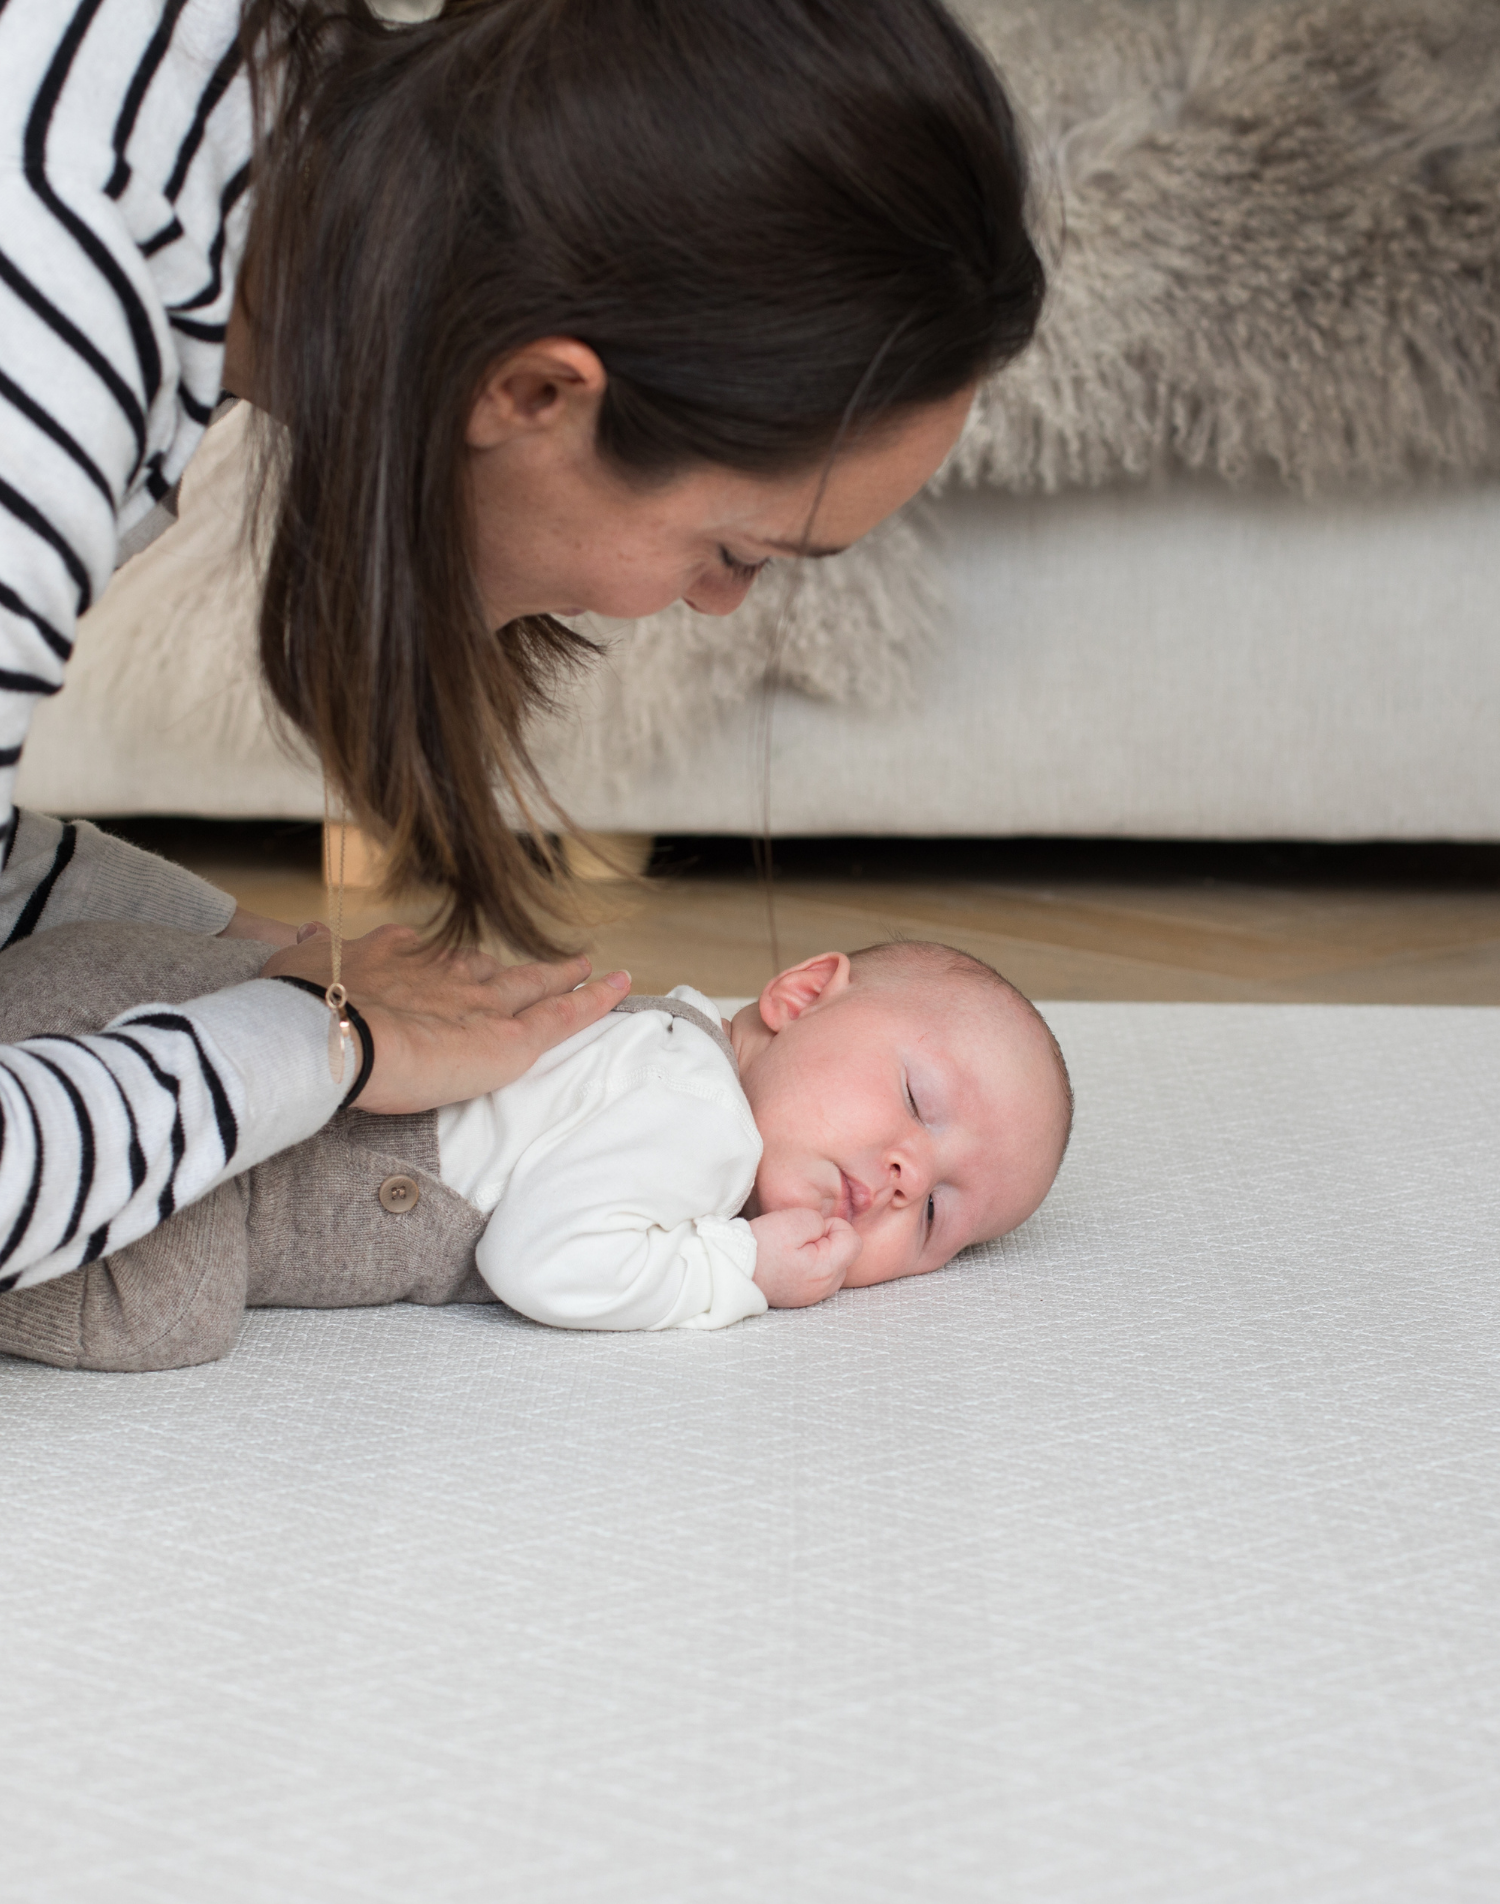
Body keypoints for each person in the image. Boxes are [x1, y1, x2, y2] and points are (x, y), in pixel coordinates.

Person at [0, 0, 1046, 1296]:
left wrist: (261, 948)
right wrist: (327, 1040)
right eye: (739, 550)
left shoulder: (193, 136)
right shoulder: (45, 352)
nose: (716, 604)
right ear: (535, 395)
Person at [0, 924, 1073, 1367]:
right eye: (915, 1098)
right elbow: (542, 1258)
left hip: (141, 1009)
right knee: (173, 1314)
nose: (903, 1173)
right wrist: (733, 1265)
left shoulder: (662, 1039)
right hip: (214, 1164)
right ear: (799, 994)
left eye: (937, 1213)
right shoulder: (699, 1112)